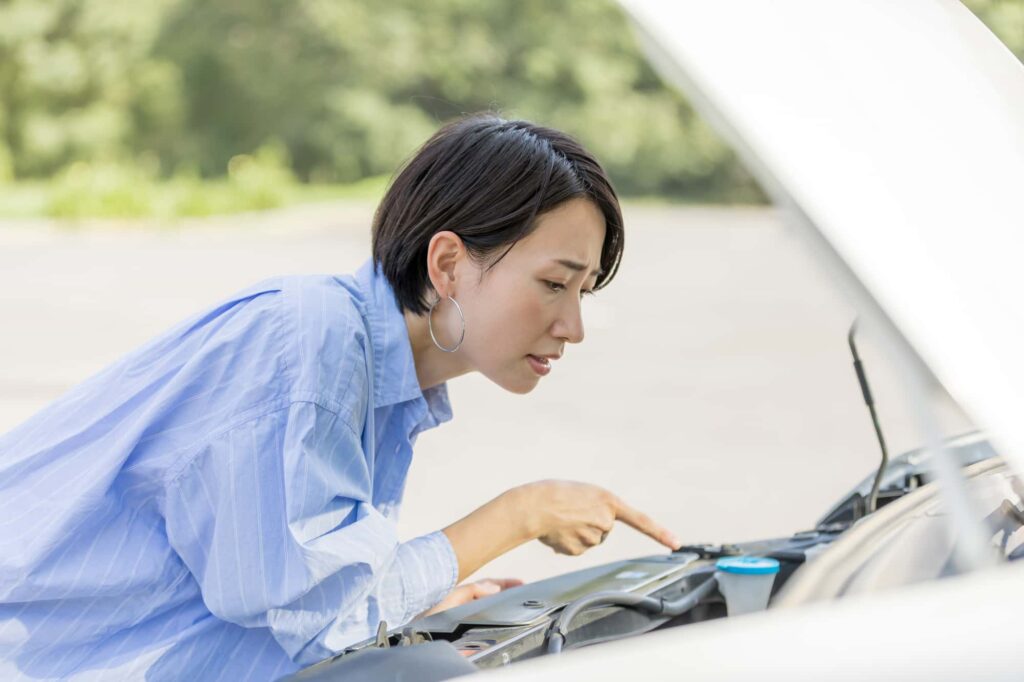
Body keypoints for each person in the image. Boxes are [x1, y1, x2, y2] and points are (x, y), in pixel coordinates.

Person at [0, 114, 680, 681]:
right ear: (448, 264)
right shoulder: (309, 344)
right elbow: (324, 621)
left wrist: (415, 602)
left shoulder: (380, 380)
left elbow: (304, 605)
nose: (574, 327)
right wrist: (522, 513)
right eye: (555, 283)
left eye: (583, 290)